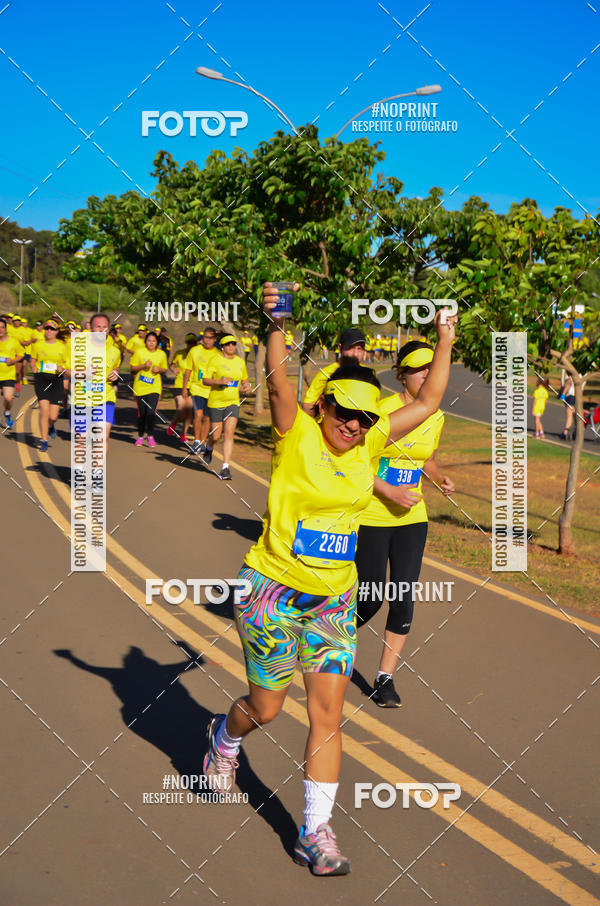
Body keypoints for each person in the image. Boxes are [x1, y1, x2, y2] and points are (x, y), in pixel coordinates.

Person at [202, 282, 456, 876]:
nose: (354, 423)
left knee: (326, 716)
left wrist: (445, 338)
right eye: (344, 412)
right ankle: (224, 736)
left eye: (365, 416)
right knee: (266, 709)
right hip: (270, 591)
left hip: (333, 601)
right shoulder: (295, 437)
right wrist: (276, 321)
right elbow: (279, 376)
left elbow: (431, 400)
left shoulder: (369, 442)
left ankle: (315, 833)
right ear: (325, 407)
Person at [355, 340, 455, 707]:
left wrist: (439, 477)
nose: (429, 374)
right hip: (372, 517)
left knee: (403, 598)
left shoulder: (436, 416)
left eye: (433, 367)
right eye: (420, 369)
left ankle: (384, 678)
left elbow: (423, 457)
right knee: (369, 598)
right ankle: (328, 639)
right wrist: (389, 491)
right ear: (402, 375)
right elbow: (356, 463)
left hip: (412, 519)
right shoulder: (380, 412)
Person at [202, 334, 251, 480]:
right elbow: (205, 380)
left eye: (233, 344)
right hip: (216, 402)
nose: (231, 347)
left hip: (233, 402)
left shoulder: (240, 362)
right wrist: (219, 381)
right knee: (216, 435)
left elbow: (245, 380)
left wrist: (247, 386)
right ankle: (209, 447)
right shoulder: (214, 360)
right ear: (222, 346)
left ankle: (225, 468)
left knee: (229, 433)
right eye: (228, 344)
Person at [302, 328, 368, 416]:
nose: (355, 354)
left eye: (359, 349)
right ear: (340, 348)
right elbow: (308, 405)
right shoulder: (326, 374)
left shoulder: (368, 373)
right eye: (350, 348)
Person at [30, 319, 68, 451]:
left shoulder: (63, 346)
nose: (49, 331)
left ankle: (51, 426)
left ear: (57, 331)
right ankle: (44, 440)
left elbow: (67, 365)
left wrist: (61, 369)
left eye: (52, 329)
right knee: (44, 412)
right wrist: (34, 368)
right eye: (47, 328)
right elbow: (33, 360)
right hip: (42, 380)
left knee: (53, 416)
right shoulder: (38, 345)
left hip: (56, 381)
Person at [181, 326, 219, 454]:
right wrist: (184, 388)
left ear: (215, 339)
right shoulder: (194, 351)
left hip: (211, 391)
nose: (207, 340)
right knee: (198, 414)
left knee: (207, 418)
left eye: (210, 338)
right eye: (205, 338)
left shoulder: (218, 354)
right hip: (197, 388)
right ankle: (196, 441)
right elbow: (188, 370)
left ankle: (202, 443)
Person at [130, 331, 168, 447]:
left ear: (157, 343)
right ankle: (140, 436)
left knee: (151, 412)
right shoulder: (139, 352)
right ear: (145, 342)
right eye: (149, 340)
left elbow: (165, 369)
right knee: (142, 413)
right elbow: (132, 368)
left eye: (153, 341)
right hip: (140, 387)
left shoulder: (161, 354)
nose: (151, 343)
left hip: (154, 387)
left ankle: (150, 436)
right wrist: (143, 366)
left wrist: (159, 370)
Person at [168, 332, 197, 443]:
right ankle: (174, 423)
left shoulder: (197, 355)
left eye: (193, 343)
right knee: (181, 409)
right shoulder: (179, 354)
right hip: (180, 384)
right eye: (189, 343)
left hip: (192, 386)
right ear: (186, 343)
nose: (191, 345)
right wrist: (174, 369)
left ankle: (183, 435)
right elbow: (172, 364)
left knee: (189, 412)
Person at [0, 317, 24, 429]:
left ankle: (7, 413)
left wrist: (13, 361)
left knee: (9, 398)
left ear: (5, 329)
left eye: (2, 327)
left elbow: (21, 354)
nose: (0, 330)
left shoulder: (13, 341)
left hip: (8, 375)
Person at [559, 375, 575, 441]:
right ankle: (572, 432)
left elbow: (568, 382)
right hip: (572, 396)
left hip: (570, 395)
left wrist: (563, 393)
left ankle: (565, 433)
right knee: (572, 414)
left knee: (569, 414)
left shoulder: (572, 373)